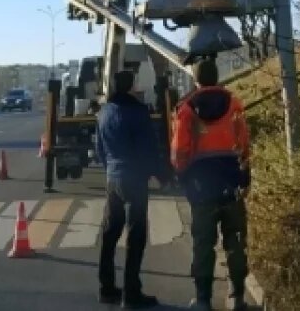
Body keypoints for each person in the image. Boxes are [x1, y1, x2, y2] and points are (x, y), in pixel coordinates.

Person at [171, 59, 253, 311]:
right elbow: (244, 144)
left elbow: (179, 152)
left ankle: (203, 299)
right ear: (217, 77)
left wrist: (182, 176)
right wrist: (244, 175)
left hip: (201, 187)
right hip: (231, 184)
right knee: (235, 241)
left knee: (203, 244)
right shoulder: (234, 103)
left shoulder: (186, 110)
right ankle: (236, 297)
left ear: (196, 80)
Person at [96, 70, 166, 308]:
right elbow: (149, 147)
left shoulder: (104, 112)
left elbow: (100, 148)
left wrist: (110, 170)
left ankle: (106, 288)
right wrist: (158, 173)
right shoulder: (138, 111)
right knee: (136, 235)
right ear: (131, 86)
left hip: (112, 178)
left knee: (110, 232)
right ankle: (131, 293)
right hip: (134, 178)